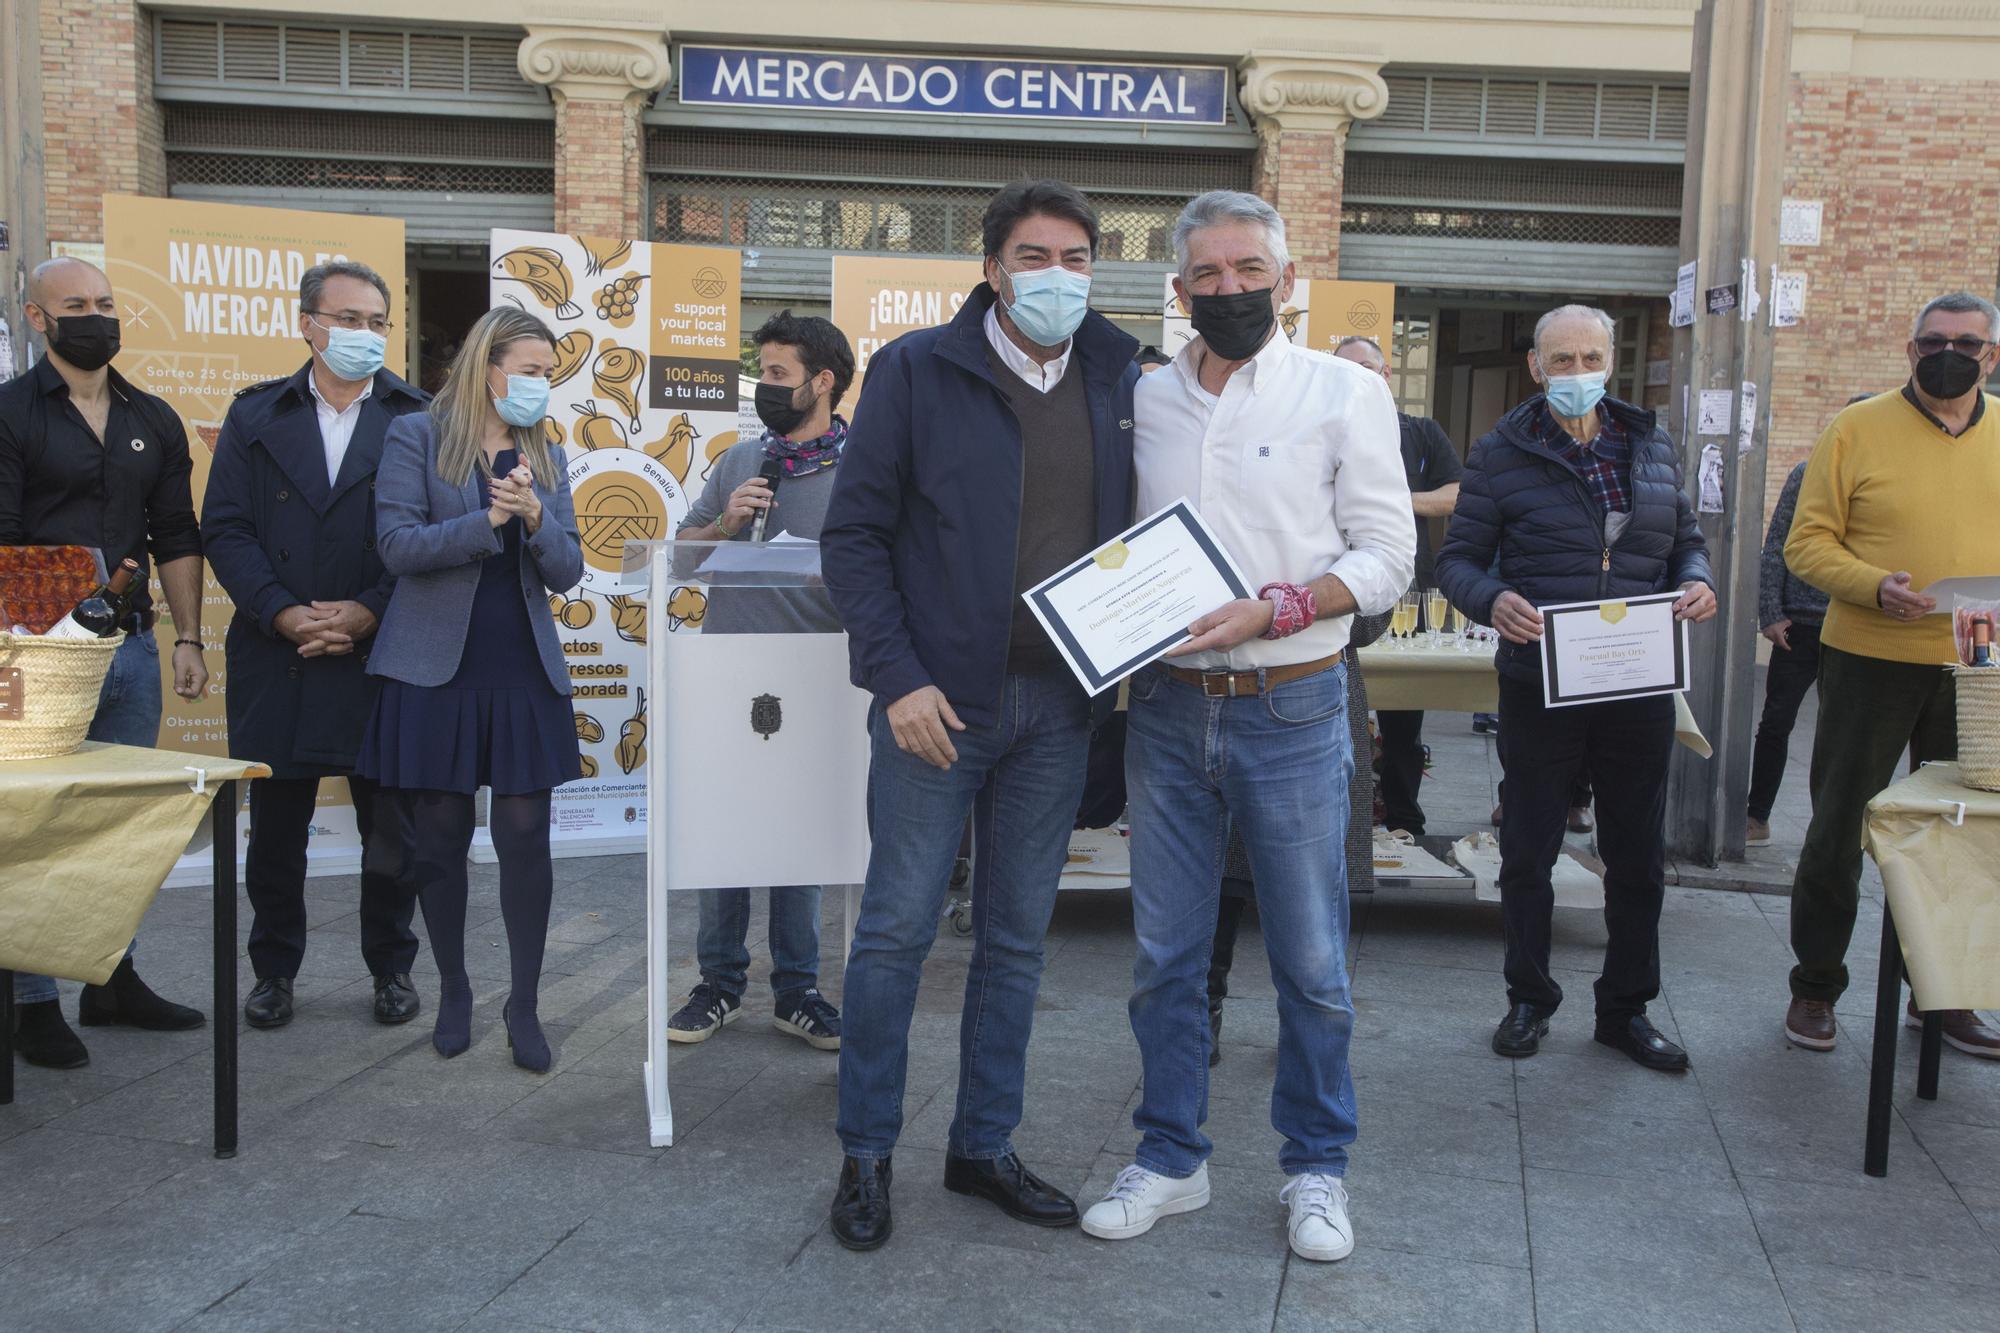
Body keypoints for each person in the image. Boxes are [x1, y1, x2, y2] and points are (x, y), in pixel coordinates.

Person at [1082, 190, 1413, 1264]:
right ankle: (1170, 1156)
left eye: (1247, 270)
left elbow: (1385, 558)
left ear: (1285, 279)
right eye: (1207, 276)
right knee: (1164, 956)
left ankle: (1316, 1166)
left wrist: (1279, 605)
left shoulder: (1342, 393)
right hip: (1168, 710)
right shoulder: (1139, 399)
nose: (1228, 290)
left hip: (1293, 701)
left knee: (1311, 961)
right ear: (1178, 290)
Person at [819, 179, 1139, 1251]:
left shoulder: (1116, 370)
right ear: (993, 267)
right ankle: (865, 1153)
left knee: (1014, 941)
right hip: (933, 706)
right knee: (896, 932)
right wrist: (896, 677)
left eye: (1078, 258)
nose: (1059, 277)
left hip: (1057, 702)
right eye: (1036, 257)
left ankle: (980, 1144)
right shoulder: (917, 369)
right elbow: (854, 538)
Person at [1435, 303, 1715, 1072]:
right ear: (1535, 367)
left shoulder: (1650, 444)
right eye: (1562, 361)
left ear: (1611, 360)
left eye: (1591, 358)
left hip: (1637, 682)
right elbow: (1457, 560)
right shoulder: (1499, 453)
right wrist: (1493, 600)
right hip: (1541, 680)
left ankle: (1626, 1009)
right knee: (1529, 849)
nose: (1578, 374)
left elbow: (1685, 542)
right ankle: (1529, 997)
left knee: (1636, 856)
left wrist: (1697, 582)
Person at [356, 306, 584, 1072]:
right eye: (528, 369)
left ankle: (524, 1002)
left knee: (525, 834)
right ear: (488, 365)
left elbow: (568, 567)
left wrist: (535, 519)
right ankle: (453, 987)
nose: (538, 384)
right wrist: (488, 518)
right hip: (433, 667)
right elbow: (395, 545)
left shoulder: (544, 449)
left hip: (520, 663)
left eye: (546, 373)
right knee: (442, 835)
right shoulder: (416, 436)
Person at [202, 260, 427, 1030]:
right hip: (279, 653)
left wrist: (367, 610)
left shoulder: (418, 416)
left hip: (382, 651)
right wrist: (282, 613)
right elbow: (225, 528)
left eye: (376, 322)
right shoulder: (256, 414)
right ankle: (273, 972)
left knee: (390, 831)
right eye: (346, 319)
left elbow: (431, 538)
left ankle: (392, 966)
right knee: (273, 832)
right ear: (307, 323)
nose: (363, 335)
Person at [0, 256, 209, 1069]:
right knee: (34, 825)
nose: (97, 316)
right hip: (38, 655)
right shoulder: (12, 412)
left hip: (131, 649)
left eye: (107, 303)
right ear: (37, 318)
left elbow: (176, 534)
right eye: (76, 304)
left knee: (115, 822)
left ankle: (111, 978)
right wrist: (45, 635)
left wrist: (187, 638)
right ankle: (31, 1001)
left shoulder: (151, 417)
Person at [1780, 293, 2000, 1057]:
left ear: (1992, 356)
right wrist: (1875, 584)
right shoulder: (1857, 427)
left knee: (1960, 837)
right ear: (1910, 350)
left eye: (1967, 343)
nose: (1951, 353)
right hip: (1869, 657)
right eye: (1934, 341)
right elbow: (1805, 546)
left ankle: (1943, 995)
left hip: (1976, 666)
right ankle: (1814, 985)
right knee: (1839, 825)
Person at [665, 310, 853, 1052]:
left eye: (777, 374)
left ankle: (798, 989)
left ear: (823, 381)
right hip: (728, 674)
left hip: (818, 677)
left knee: (798, 838)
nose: (765, 387)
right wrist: (722, 526)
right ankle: (718, 984)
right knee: (727, 833)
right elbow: (681, 558)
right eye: (763, 371)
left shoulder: (867, 466)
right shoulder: (740, 460)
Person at [1333, 334, 1461, 837]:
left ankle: (1405, 819)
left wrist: (1391, 503)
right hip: (1336, 596)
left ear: (1386, 376)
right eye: (1347, 371)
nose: (1359, 379)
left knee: (1404, 719)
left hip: (1408, 592)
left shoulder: (1421, 432)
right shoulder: (1317, 428)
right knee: (1336, 714)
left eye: (1367, 369)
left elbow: (1457, 495)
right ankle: (1343, 820)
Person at [1748, 425, 1845, 847]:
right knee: (1775, 723)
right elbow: (1776, 545)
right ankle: (1757, 817)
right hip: (1799, 627)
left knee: (1842, 733)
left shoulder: (1886, 483)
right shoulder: (1807, 475)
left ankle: (1831, 828)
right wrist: (1770, 612)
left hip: (1853, 628)